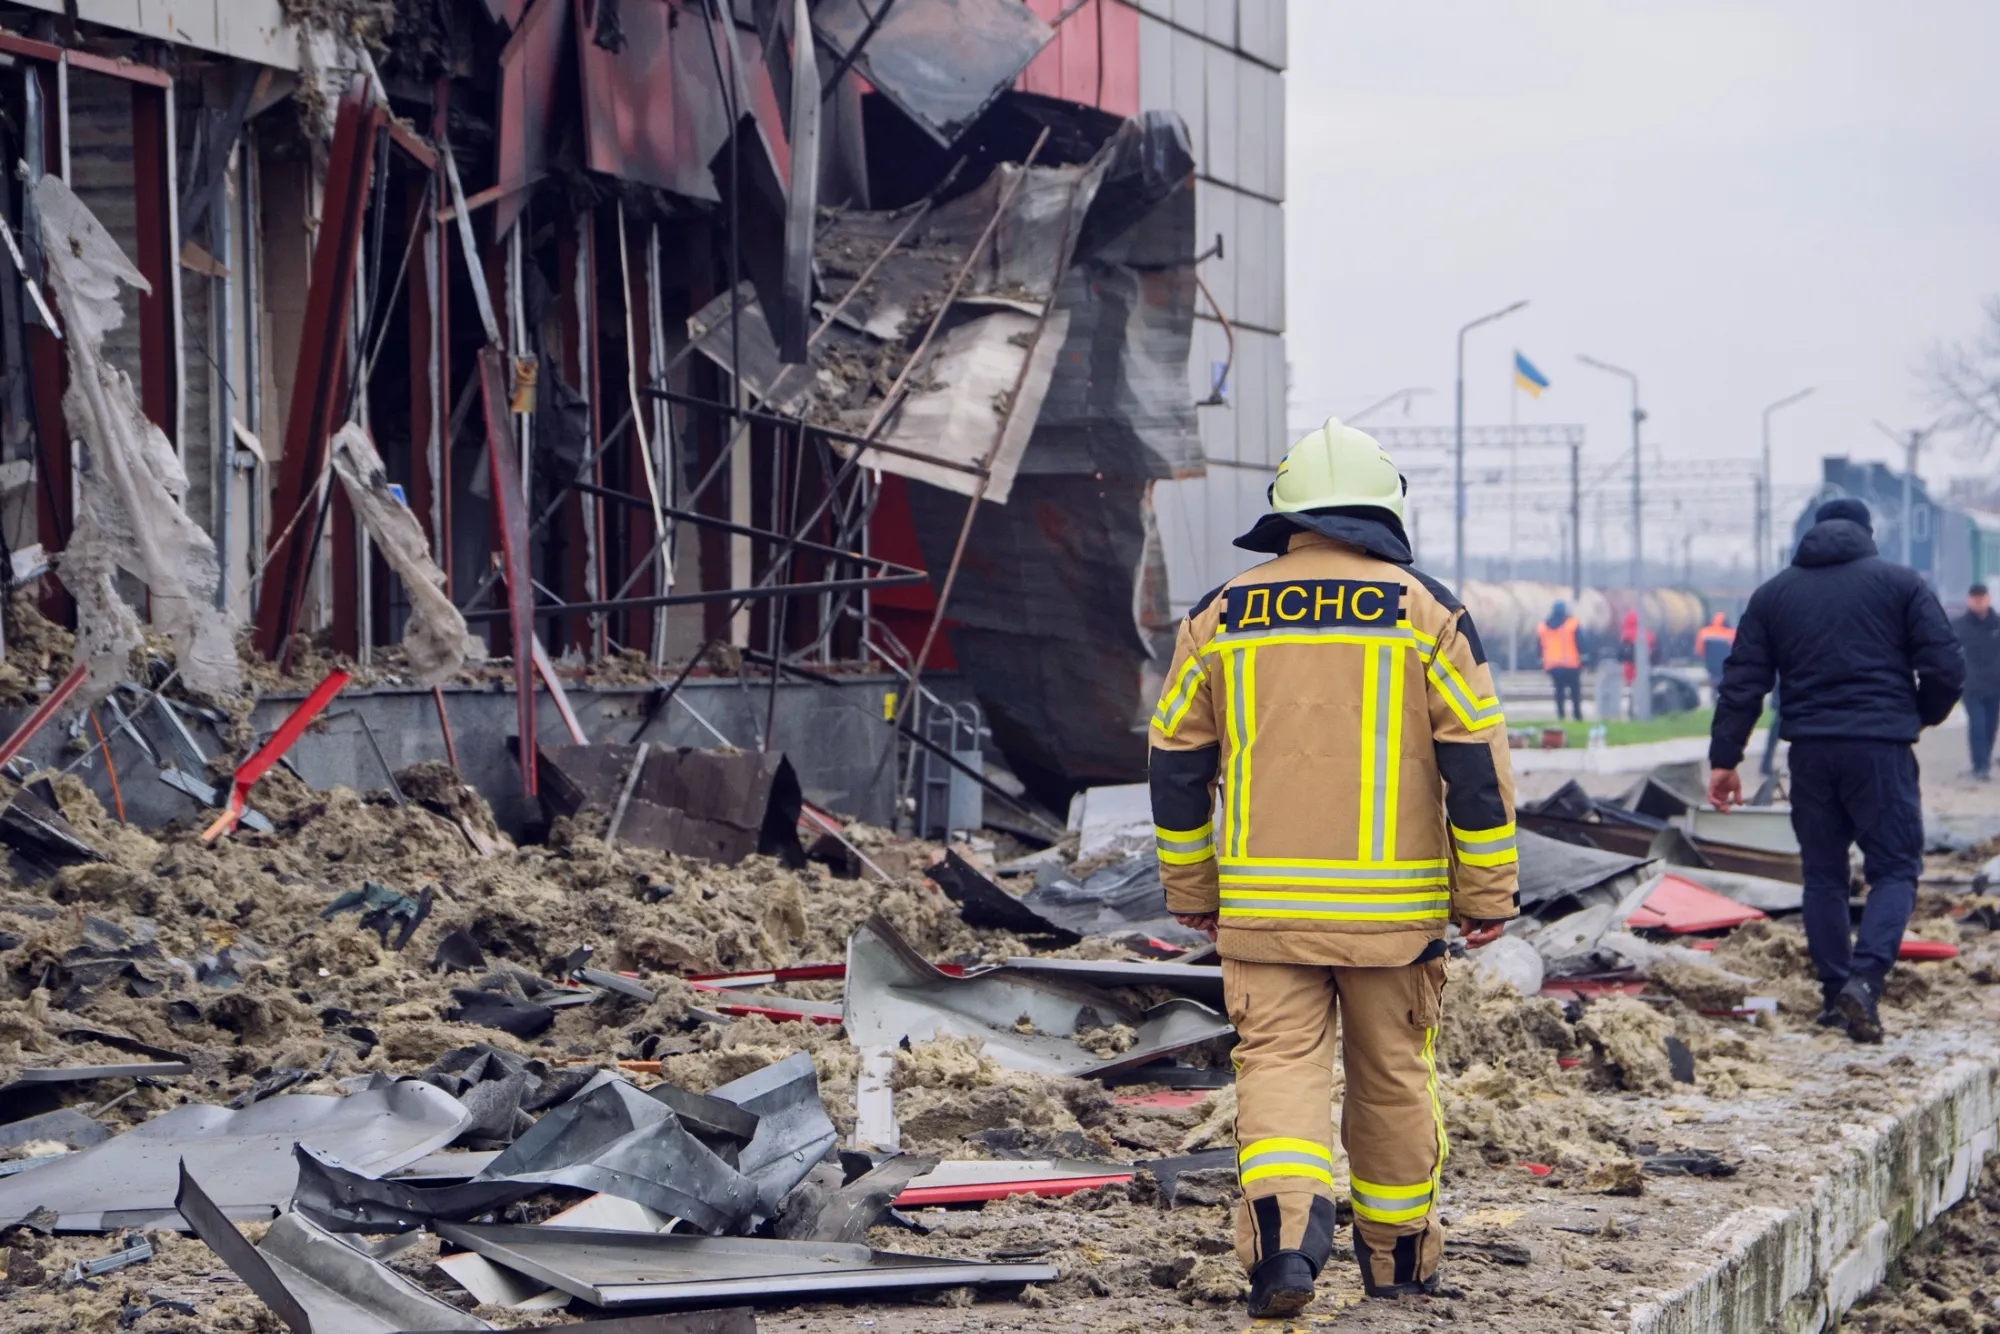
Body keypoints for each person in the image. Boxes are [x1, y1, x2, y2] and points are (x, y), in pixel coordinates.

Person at [1148, 418, 1519, 1316]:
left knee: (1278, 1070)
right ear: (1385, 512)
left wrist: (1194, 891)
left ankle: (1283, 1255)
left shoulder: (1221, 615)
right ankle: (1399, 1270)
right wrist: (1487, 893)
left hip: (1267, 913)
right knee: (1393, 1079)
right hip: (1393, 923)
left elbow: (1173, 767)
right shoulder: (1424, 611)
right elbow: (1477, 765)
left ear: (1286, 515)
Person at [1707, 498, 1963, 1042]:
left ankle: (1831, 994)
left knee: (1822, 874)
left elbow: (1742, 684)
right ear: (1867, 534)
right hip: (1880, 751)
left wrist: (1725, 760)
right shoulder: (1901, 585)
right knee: (1894, 870)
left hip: (1812, 753)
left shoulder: (1774, 594)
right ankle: (1866, 982)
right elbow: (1946, 666)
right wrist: (1917, 716)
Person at [1953, 584, 2000, 780]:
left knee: (1990, 726)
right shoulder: (1959, 626)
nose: (1978, 601)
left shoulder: (1997, 624)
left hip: (1995, 684)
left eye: (1982, 597)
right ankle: (1979, 766)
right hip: (1970, 685)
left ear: (1988, 598)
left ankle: (1984, 762)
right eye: (1974, 597)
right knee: (1977, 724)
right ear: (1968, 600)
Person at [1538, 601, 1584, 720]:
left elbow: (1539, 646)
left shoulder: (1543, 626)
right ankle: (1577, 715)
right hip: (1571, 665)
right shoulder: (1572, 623)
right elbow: (1581, 643)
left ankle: (1561, 715)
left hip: (1553, 666)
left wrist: (1542, 662)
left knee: (1559, 692)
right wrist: (1585, 659)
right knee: (1575, 693)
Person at [1694, 611, 1736, 688]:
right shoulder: (1731, 634)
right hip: (1725, 665)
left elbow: (1699, 650)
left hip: (1711, 665)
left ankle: (1713, 689)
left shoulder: (1704, 632)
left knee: (1714, 679)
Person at [1616, 609, 1655, 689]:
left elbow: (1620, 657)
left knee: (1631, 696)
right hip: (1645, 672)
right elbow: (1655, 655)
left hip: (1629, 674)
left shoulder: (1626, 637)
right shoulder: (1648, 636)